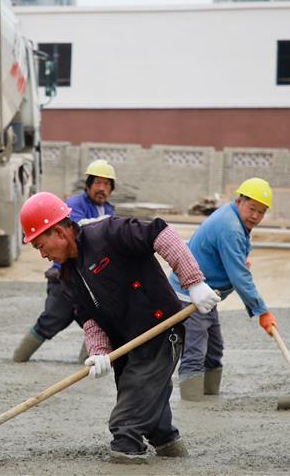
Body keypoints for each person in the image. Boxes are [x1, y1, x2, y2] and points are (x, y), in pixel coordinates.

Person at [19, 191, 220, 464]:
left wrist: (193, 281)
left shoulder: (109, 233)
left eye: (41, 245)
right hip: (126, 346)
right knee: (152, 418)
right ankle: (173, 451)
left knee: (126, 425)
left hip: (160, 333)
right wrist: (98, 352)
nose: (42, 254)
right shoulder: (67, 275)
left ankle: (127, 454)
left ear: (59, 232)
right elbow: (88, 317)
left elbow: (161, 233)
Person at [169, 177, 278, 400]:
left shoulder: (233, 218)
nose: (255, 216)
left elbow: (233, 263)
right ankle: (192, 404)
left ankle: (210, 397)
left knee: (214, 349)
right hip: (190, 296)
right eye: (252, 208)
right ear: (239, 201)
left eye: (261, 212)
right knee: (195, 351)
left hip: (207, 295)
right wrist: (261, 311)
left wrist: (237, 261)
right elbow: (239, 277)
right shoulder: (230, 227)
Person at [12, 159, 117, 362]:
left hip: (92, 278)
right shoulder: (74, 206)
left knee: (100, 322)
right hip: (66, 276)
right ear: (88, 185)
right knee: (50, 321)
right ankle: (18, 359)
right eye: (98, 183)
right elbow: (76, 233)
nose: (102, 188)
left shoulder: (109, 210)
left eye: (107, 184)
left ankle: (89, 365)